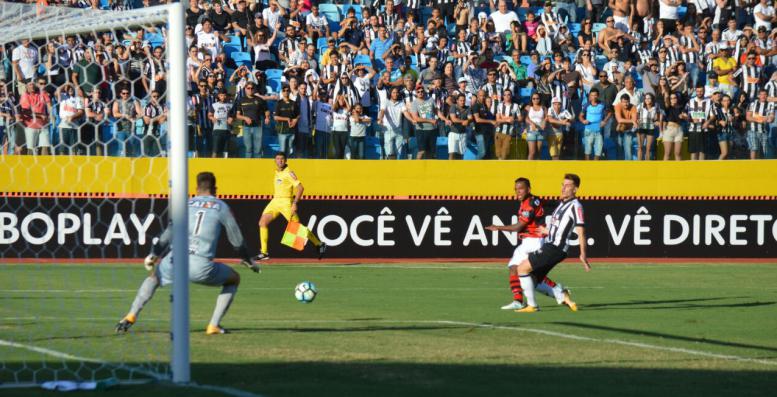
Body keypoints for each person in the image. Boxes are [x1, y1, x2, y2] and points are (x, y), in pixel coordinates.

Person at [116, 172, 260, 335]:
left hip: (175, 260)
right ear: (215, 189)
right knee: (234, 279)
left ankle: (130, 315)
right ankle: (213, 325)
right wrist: (248, 260)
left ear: (196, 188)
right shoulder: (221, 207)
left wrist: (154, 254)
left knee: (154, 278)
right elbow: (236, 239)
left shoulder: (187, 204)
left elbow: (170, 231)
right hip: (200, 266)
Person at [486, 177, 577, 312]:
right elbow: (547, 203)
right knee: (520, 271)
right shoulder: (534, 199)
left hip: (533, 241)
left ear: (528, 189)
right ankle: (554, 293)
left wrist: (498, 228)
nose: (518, 192)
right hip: (531, 241)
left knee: (524, 272)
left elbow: (518, 226)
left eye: (521, 189)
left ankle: (542, 297)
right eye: (516, 189)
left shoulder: (529, 205)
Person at [514, 174, 592, 313]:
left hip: (555, 248)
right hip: (551, 245)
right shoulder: (562, 203)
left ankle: (532, 306)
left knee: (522, 269)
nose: (563, 188)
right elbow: (559, 227)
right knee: (533, 280)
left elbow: (581, 232)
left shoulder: (576, 206)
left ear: (575, 189)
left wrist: (583, 255)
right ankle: (562, 295)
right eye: (563, 184)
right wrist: (546, 230)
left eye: (568, 186)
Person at [255, 152, 327, 261]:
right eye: (278, 159)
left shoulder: (289, 173)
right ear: (275, 161)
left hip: (286, 202)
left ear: (286, 160)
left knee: (298, 228)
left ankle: (319, 244)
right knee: (262, 222)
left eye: (282, 159)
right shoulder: (277, 172)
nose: (280, 161)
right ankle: (264, 252)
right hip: (275, 202)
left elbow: (301, 188)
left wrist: (294, 203)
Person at [235, 83, 270, 158]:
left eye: (252, 88)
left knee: (258, 149)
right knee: (248, 148)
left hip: (258, 126)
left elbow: (266, 110)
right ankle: (248, 166)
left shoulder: (259, 99)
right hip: (246, 127)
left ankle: (257, 166)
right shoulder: (241, 100)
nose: (250, 90)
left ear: (254, 89)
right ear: (245, 89)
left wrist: (267, 117)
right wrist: (245, 118)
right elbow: (237, 115)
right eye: (248, 88)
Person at [579, 88, 609, 160]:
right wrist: (583, 121)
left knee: (598, 151)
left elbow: (610, 113)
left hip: (599, 131)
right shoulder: (587, 105)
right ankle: (587, 167)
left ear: (598, 95)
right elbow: (580, 116)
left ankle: (595, 167)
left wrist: (604, 121)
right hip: (588, 130)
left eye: (595, 95)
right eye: (592, 95)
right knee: (587, 151)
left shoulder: (602, 104)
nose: (594, 97)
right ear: (590, 96)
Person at [746, 89, 776, 159]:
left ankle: (762, 167)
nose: (763, 96)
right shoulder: (752, 104)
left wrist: (770, 119)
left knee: (765, 150)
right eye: (761, 94)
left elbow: (771, 117)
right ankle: (753, 166)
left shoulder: (770, 105)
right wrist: (759, 119)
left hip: (764, 131)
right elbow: (748, 117)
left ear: (767, 96)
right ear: (758, 95)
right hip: (752, 130)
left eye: (765, 94)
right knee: (754, 148)